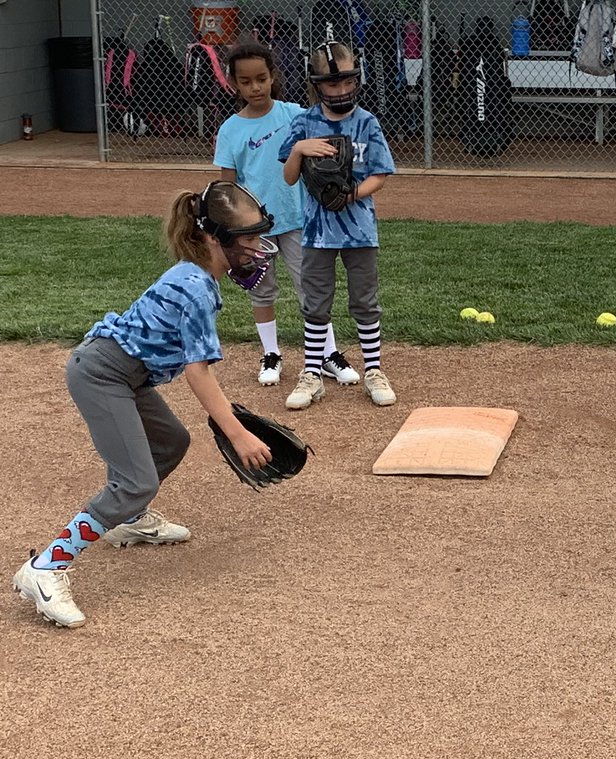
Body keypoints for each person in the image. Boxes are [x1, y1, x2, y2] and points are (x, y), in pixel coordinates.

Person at [12, 182, 279, 629]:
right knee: (135, 480)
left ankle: (129, 521)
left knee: (171, 442)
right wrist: (238, 432)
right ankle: (45, 568)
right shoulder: (195, 285)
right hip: (103, 374)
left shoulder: (197, 275)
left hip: (126, 374)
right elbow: (199, 372)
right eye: (248, 238)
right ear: (215, 237)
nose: (257, 248)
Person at [213, 40, 359, 389]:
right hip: (255, 229)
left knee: (311, 289)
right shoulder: (230, 130)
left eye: (261, 78)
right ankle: (271, 354)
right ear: (234, 83)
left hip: (297, 219)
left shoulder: (292, 114)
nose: (255, 87)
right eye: (246, 81)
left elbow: (325, 136)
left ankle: (327, 354)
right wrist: (233, 230)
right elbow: (228, 188)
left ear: (273, 76)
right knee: (262, 292)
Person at [278, 41, 397, 410]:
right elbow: (288, 177)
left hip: (360, 228)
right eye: (332, 84)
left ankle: (374, 370)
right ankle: (312, 375)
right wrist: (300, 149)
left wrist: (351, 195)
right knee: (316, 302)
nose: (341, 90)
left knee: (364, 300)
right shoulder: (304, 123)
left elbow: (380, 175)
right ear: (317, 85)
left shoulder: (367, 122)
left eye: (347, 82)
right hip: (317, 231)